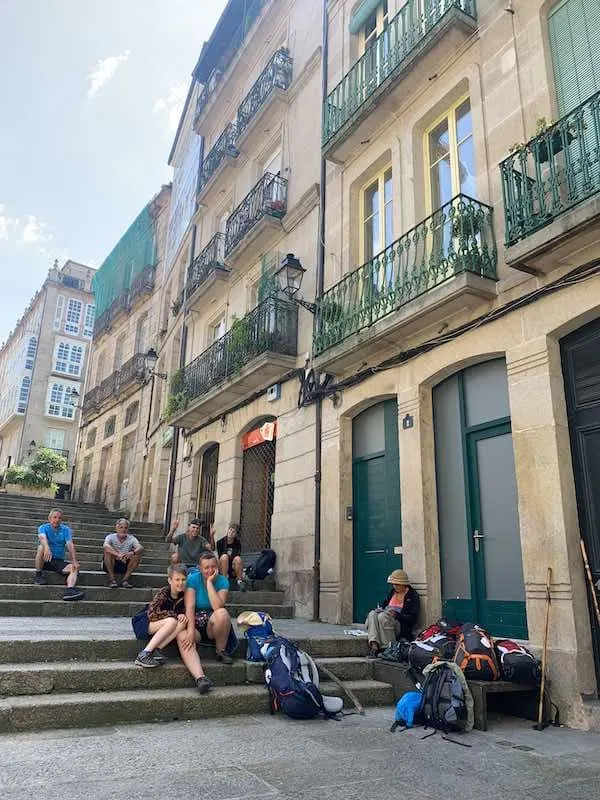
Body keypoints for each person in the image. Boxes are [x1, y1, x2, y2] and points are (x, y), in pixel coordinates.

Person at [131, 564, 213, 694]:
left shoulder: (183, 596)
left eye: (183, 580)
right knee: (172, 620)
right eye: (177, 580)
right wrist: (174, 615)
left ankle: (157, 649)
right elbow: (152, 614)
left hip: (167, 629)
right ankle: (144, 653)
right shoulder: (164, 593)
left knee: (181, 622)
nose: (180, 583)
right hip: (147, 623)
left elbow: (186, 616)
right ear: (169, 580)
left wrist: (181, 617)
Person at [181, 550, 237, 664]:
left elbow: (217, 607)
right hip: (195, 622)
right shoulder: (192, 579)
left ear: (217, 567)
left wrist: (209, 583)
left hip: (213, 623)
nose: (210, 570)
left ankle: (221, 651)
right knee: (181, 630)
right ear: (200, 568)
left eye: (213, 566)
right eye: (206, 567)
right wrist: (191, 631)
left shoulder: (223, 581)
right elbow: (190, 607)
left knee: (223, 613)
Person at [365, 569, 420, 659]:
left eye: (397, 584)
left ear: (404, 584)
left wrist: (397, 615)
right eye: (394, 584)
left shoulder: (412, 595)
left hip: (400, 625)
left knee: (383, 616)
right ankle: (374, 644)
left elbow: (412, 618)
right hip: (384, 620)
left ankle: (388, 647)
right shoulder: (392, 593)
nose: (395, 586)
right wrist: (380, 609)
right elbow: (384, 606)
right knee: (372, 614)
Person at [34, 508, 85, 601]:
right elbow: (42, 537)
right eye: (55, 517)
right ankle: (38, 574)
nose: (57, 520)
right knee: (41, 547)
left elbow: (70, 544)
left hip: (58, 561)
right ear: (49, 518)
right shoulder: (43, 527)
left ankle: (70, 591)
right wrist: (47, 547)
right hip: (45, 560)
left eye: (59, 518)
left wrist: (74, 561)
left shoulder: (66, 530)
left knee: (74, 568)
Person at [102, 518, 144, 588]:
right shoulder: (110, 537)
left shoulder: (131, 538)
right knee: (108, 552)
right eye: (121, 527)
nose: (123, 530)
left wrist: (132, 553)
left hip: (124, 564)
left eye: (125, 528)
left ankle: (125, 580)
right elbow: (105, 546)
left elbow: (141, 548)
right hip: (110, 564)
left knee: (137, 555)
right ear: (116, 528)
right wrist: (118, 554)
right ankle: (112, 580)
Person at [215, 523, 245, 589]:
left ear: (236, 534)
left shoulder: (237, 543)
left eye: (233, 531)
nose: (231, 532)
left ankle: (239, 581)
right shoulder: (220, 542)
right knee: (224, 557)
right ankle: (223, 580)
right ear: (228, 530)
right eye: (230, 530)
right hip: (223, 565)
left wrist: (234, 569)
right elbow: (221, 557)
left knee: (238, 558)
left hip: (233, 566)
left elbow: (237, 556)